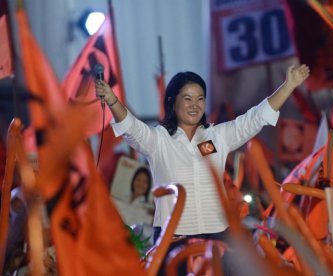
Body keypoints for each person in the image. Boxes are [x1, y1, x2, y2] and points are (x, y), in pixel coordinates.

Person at [95, 64, 309, 273]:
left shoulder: (217, 137)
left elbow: (255, 118)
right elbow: (131, 127)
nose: (194, 104)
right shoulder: (158, 140)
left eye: (200, 98)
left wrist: (289, 85)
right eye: (187, 98)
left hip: (219, 241)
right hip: (174, 243)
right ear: (172, 102)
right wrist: (112, 100)